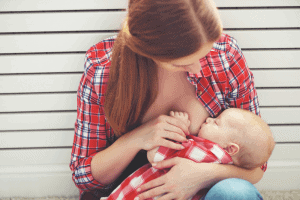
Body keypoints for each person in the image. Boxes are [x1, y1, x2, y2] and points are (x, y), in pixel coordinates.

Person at [70, 0, 268, 199]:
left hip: (204, 190)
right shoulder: (103, 68)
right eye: (182, 63)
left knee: (236, 194)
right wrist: (138, 138)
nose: (198, 70)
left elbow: (256, 166)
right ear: (149, 52)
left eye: (205, 53)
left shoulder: (226, 55)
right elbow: (84, 176)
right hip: (134, 190)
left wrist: (202, 175)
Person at [100, 109, 275, 200]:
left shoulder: (205, 152)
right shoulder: (229, 163)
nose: (209, 119)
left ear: (230, 149)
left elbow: (155, 156)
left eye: (216, 123)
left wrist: (179, 130)